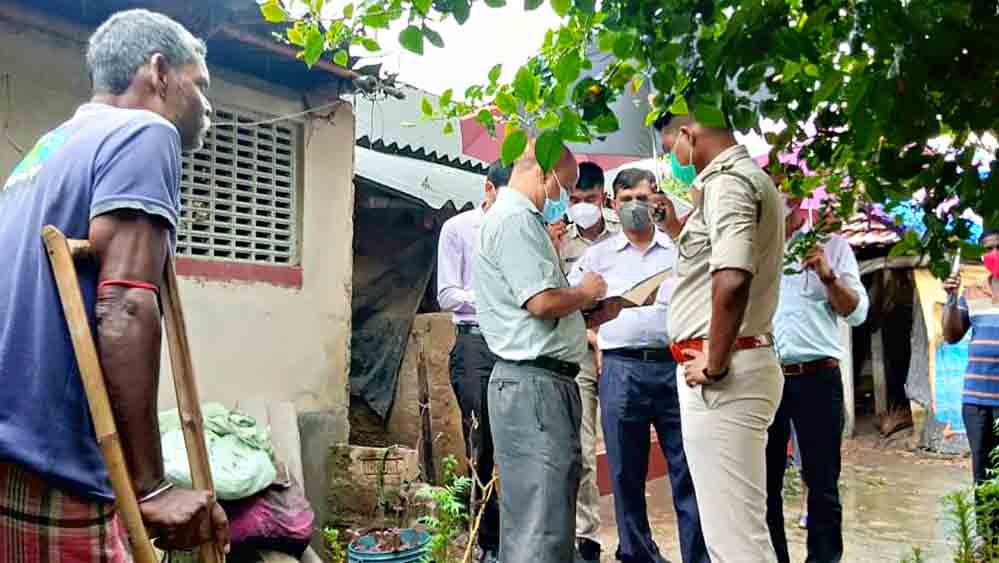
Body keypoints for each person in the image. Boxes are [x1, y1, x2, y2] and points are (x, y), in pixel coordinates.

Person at [0, 9, 228, 560]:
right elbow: (124, 305)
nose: (208, 107)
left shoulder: (45, 150)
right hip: (59, 465)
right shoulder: (145, 132)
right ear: (158, 72)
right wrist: (151, 486)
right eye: (200, 86)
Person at [653, 105, 785, 562]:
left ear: (688, 134)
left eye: (672, 148)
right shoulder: (731, 183)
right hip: (732, 365)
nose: (672, 159)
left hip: (724, 374)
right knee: (733, 532)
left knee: (736, 542)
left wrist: (714, 361)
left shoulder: (727, 183)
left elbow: (732, 279)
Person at [473, 141, 607, 563]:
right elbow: (542, 302)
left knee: (540, 517)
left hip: (540, 381)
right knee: (541, 525)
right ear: (544, 174)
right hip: (534, 386)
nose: (564, 199)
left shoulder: (520, 220)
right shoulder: (515, 220)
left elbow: (540, 310)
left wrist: (588, 312)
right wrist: (584, 293)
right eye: (564, 187)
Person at [570, 168, 708, 563]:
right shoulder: (596, 257)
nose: (635, 206)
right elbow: (573, 308)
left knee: (687, 468)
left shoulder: (678, 250)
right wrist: (594, 336)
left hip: (675, 366)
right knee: (625, 473)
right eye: (627, 199)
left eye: (643, 199)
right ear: (613, 204)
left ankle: (696, 555)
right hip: (620, 369)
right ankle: (636, 553)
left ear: (657, 200)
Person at [766, 192, 869, 563]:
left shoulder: (833, 246)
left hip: (816, 377)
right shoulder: (754, 247)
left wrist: (829, 277)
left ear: (797, 196)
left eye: (785, 187)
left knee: (822, 483)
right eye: (770, 186)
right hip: (765, 379)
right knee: (765, 483)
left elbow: (857, 314)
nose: (779, 196)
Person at [435, 159, 512, 563]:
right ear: (488, 189)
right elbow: (447, 294)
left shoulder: (521, 230)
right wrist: (492, 301)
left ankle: (515, 538)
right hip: (475, 344)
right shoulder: (459, 229)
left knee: (515, 441)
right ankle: (486, 540)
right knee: (480, 443)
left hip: (514, 345)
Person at [559, 161, 619, 562]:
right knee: (581, 449)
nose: (582, 206)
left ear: (604, 198)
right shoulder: (559, 242)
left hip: (621, 348)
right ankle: (587, 536)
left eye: (589, 199)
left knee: (623, 446)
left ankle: (636, 537)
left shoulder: (625, 233)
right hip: (579, 348)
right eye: (575, 200)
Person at [942, 226, 999, 530]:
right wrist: (951, 299)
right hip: (976, 400)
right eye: (988, 249)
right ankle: (987, 543)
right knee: (983, 476)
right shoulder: (973, 292)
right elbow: (951, 335)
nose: (994, 254)